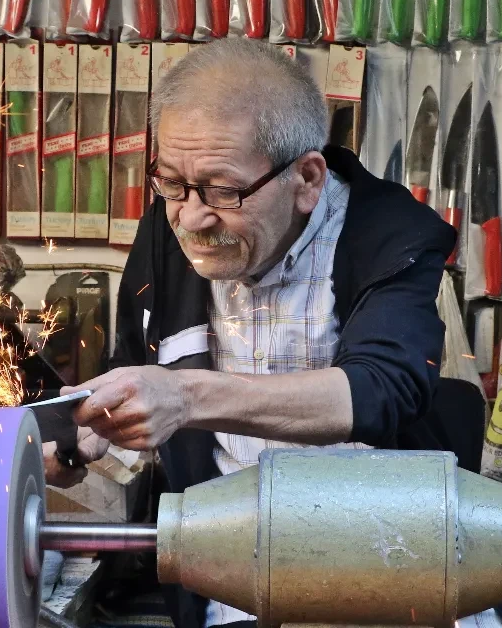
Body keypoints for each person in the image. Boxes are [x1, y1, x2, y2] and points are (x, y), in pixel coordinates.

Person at [43, 38, 457, 628]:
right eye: (172, 185)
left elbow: (385, 387)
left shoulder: (391, 236)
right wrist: (86, 441)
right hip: (230, 576)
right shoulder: (173, 224)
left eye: (223, 191)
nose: (192, 219)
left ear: (306, 178)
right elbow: (137, 370)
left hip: (387, 567)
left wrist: (186, 397)